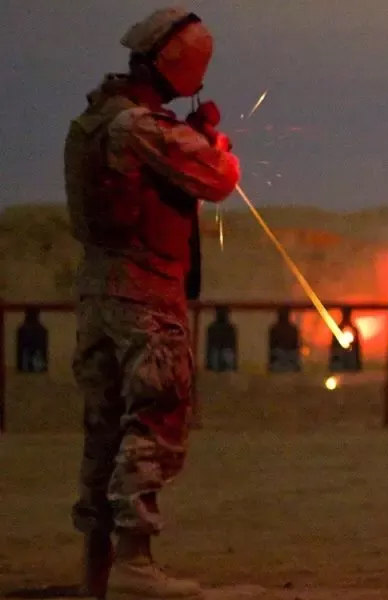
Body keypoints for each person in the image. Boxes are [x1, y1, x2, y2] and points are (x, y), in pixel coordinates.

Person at [64, 7, 240, 599]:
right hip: (145, 296)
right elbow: (218, 177)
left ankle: (97, 567)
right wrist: (214, 143)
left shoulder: (93, 121)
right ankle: (134, 563)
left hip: (97, 295)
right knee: (154, 420)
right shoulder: (141, 126)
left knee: (105, 428)